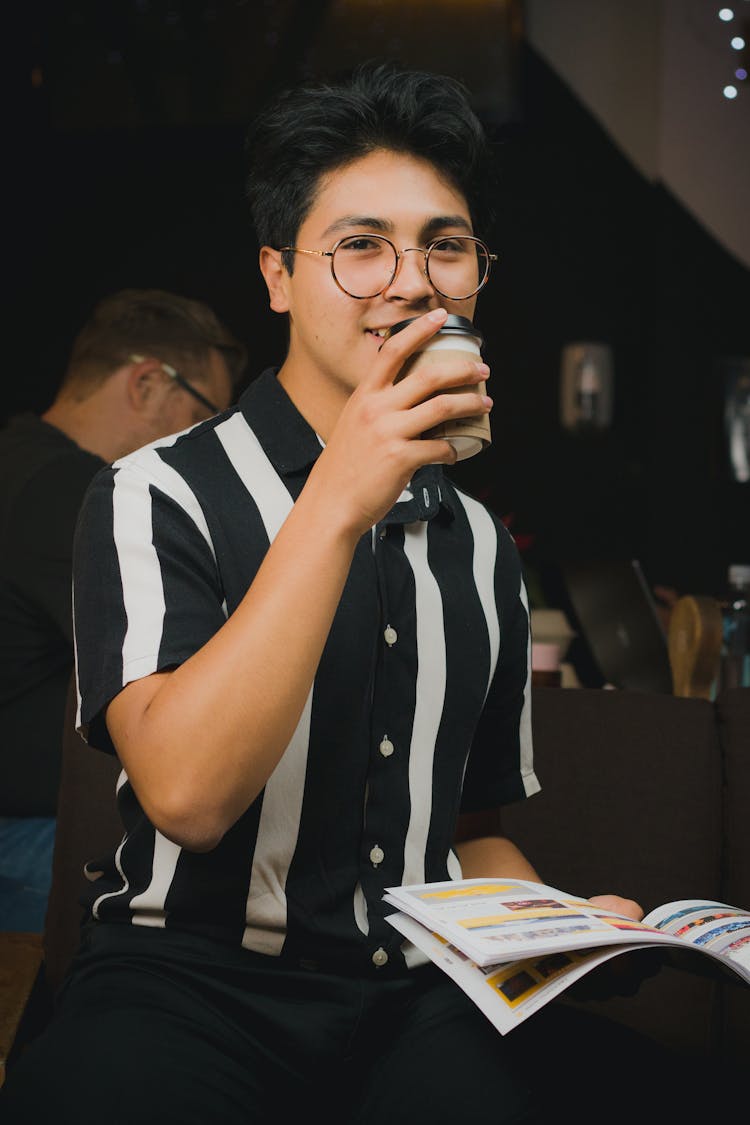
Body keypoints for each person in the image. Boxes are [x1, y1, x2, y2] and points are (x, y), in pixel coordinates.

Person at [2, 64, 663, 1124]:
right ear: (277, 277)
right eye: (361, 246)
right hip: (189, 984)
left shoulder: (482, 542)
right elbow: (187, 795)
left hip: (418, 996)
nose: (412, 282)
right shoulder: (153, 493)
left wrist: (560, 930)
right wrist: (338, 496)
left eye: (445, 246)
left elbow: (467, 829)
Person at [0, 288, 245, 932]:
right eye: (206, 415)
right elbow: (205, 661)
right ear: (146, 383)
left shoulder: (21, 461)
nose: (209, 443)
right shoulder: (72, 493)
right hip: (25, 835)